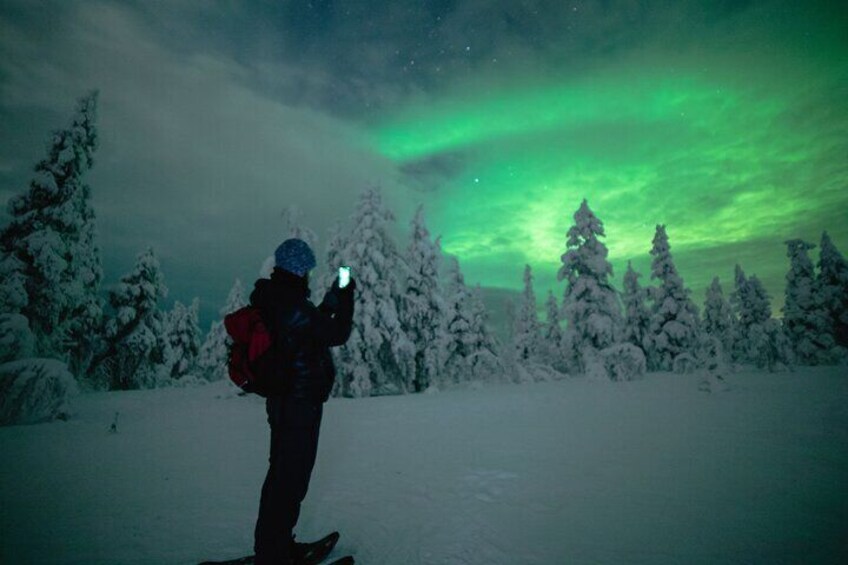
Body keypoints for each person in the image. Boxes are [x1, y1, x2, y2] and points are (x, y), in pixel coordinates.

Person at [250, 238, 355, 565]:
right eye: (307, 269)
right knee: (290, 480)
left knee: (280, 476)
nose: (310, 275)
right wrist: (346, 297)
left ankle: (273, 548)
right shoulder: (292, 306)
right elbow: (336, 334)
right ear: (299, 270)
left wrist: (327, 304)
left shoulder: (276, 300)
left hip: (283, 404)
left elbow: (308, 330)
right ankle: (276, 555)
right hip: (299, 406)